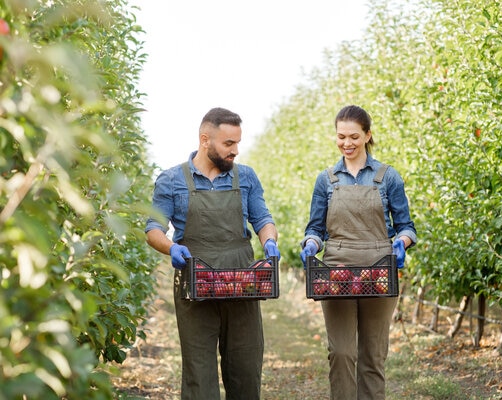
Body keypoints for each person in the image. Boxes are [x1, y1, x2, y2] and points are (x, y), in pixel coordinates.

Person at [145, 107, 280, 400]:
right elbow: (153, 229)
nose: (235, 151)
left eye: (237, 143)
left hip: (242, 281)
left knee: (245, 369)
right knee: (199, 374)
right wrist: (172, 247)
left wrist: (269, 241)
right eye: (228, 144)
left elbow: (262, 219)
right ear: (205, 139)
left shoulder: (245, 177)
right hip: (196, 280)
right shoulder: (171, 180)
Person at [300, 105, 416, 400]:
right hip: (336, 272)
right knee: (340, 352)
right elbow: (315, 228)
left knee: (373, 355)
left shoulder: (388, 177)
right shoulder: (326, 180)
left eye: (354, 136)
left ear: (367, 136)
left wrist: (401, 243)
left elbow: (406, 226)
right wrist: (311, 245)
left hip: (380, 272)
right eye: (341, 137)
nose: (347, 143)